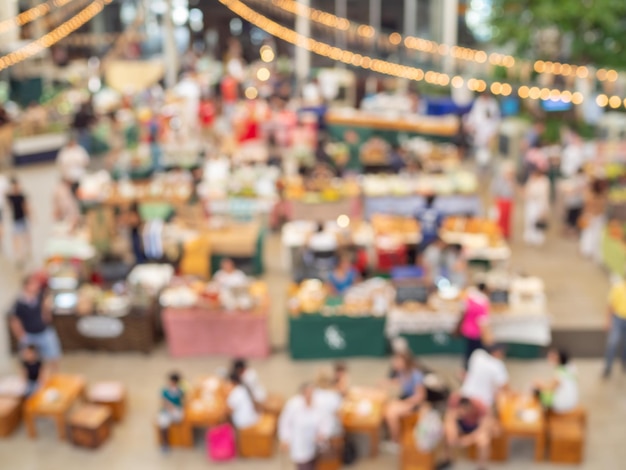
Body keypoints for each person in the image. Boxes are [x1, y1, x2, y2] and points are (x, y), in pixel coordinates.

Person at [8, 275, 61, 371]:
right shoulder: (19, 302)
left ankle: (54, 376)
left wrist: (46, 311)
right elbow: (14, 321)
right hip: (30, 335)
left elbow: (46, 309)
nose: (37, 286)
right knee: (30, 361)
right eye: (34, 284)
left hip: (44, 331)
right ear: (27, 286)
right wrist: (22, 336)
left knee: (53, 356)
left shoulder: (40, 295)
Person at [279, 382, 332, 470]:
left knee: (316, 463)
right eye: (307, 393)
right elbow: (284, 422)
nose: (309, 396)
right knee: (303, 465)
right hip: (299, 442)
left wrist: (323, 433)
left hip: (316, 443)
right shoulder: (293, 404)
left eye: (311, 393)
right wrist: (285, 439)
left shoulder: (319, 404)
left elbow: (326, 420)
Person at [439, 395, 492, 470]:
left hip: (475, 427)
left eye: (466, 410)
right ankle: (447, 458)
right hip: (461, 425)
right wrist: (452, 434)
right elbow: (449, 419)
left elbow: (483, 428)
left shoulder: (480, 405)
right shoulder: (454, 401)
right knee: (446, 430)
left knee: (484, 440)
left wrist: (468, 439)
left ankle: (482, 466)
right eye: (462, 410)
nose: (464, 412)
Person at [384, 352, 426, 445]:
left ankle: (395, 440)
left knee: (391, 413)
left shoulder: (416, 374)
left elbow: (420, 396)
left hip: (416, 404)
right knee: (387, 407)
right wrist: (387, 382)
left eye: (397, 361)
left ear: (405, 362)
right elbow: (400, 381)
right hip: (407, 399)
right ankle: (393, 435)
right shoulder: (401, 372)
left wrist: (403, 402)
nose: (395, 363)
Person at [461, 344, 509, 409]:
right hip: (481, 403)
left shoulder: (477, 354)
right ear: (499, 352)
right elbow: (505, 387)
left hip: (465, 396)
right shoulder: (498, 365)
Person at [534, 348, 579, 413]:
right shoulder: (571, 367)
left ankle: (540, 414)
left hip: (562, 405)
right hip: (573, 402)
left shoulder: (559, 373)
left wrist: (538, 383)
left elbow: (549, 388)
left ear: (558, 359)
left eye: (553, 357)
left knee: (537, 391)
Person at [459, 283, 490, 370]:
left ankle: (466, 367)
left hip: (467, 329)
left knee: (469, 350)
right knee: (478, 352)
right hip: (477, 332)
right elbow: (482, 321)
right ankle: (475, 368)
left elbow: (462, 309)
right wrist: (487, 335)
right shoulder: (483, 302)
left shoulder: (469, 298)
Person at [603, 276, 626, 378]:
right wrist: (608, 321)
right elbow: (611, 305)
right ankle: (608, 367)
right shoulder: (618, 287)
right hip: (618, 319)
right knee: (612, 343)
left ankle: (624, 363)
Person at [580, 178, 607, 263]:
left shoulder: (595, 195)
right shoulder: (593, 195)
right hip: (594, 217)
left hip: (595, 217)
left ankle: (589, 251)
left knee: (592, 234)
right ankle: (588, 251)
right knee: (591, 234)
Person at [158, 372, 185, 452]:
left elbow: (182, 401)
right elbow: (162, 402)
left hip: (176, 410)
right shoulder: (165, 390)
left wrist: (175, 408)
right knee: (163, 424)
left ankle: (180, 440)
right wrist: (169, 407)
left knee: (179, 419)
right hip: (166, 411)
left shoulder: (180, 391)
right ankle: (165, 444)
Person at [313, 367, 343, 437]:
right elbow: (339, 414)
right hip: (331, 431)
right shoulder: (334, 396)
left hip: (315, 429)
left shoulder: (313, 395)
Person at [523, 167, 550, 246]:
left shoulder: (544, 181)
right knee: (529, 219)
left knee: (537, 220)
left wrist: (544, 208)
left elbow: (545, 195)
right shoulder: (531, 180)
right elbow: (527, 191)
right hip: (531, 203)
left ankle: (537, 238)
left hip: (539, 204)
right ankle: (529, 236)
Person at [6, 176, 31, 262]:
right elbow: (7, 206)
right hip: (15, 220)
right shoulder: (10, 196)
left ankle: (27, 250)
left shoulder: (21, 195)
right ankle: (19, 254)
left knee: (25, 236)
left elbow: (26, 207)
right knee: (15, 238)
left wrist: (30, 216)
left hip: (22, 218)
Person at [491, 162, 516, 240]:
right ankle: (499, 233)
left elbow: (513, 191)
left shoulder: (512, 180)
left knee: (507, 219)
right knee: (500, 218)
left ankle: (506, 233)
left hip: (509, 200)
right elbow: (495, 190)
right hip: (501, 200)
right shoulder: (499, 180)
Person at [562, 168, 587, 238]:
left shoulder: (580, 180)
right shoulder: (576, 180)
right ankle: (570, 231)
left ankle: (571, 231)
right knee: (571, 218)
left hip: (576, 202)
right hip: (573, 202)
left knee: (573, 218)